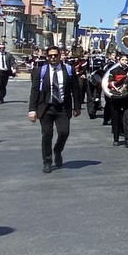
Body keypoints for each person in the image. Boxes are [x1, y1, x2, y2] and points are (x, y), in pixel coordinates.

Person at [27, 45, 82, 173]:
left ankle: (57, 150)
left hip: (62, 107)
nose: (53, 57)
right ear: (47, 57)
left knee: (64, 133)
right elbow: (34, 91)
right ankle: (47, 161)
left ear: (60, 56)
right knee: (47, 135)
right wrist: (32, 109)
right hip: (46, 108)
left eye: (55, 55)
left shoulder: (68, 70)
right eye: (50, 55)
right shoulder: (40, 71)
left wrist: (77, 107)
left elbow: (75, 89)